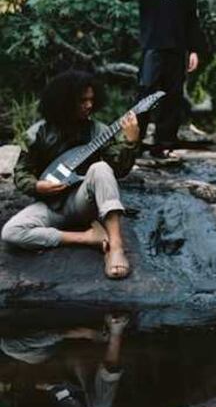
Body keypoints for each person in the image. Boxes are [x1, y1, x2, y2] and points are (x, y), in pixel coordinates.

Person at [4, 70, 138, 279]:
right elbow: (22, 172)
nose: (89, 105)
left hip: (82, 201)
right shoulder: (39, 132)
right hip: (50, 205)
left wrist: (129, 143)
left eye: (92, 100)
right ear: (64, 102)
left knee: (101, 169)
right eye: (82, 101)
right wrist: (37, 186)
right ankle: (88, 238)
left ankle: (116, 247)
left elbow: (119, 170)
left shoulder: (98, 130)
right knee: (11, 232)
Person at [117, 0, 201, 158]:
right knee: (146, 94)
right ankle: (134, 143)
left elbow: (192, 20)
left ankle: (163, 146)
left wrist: (193, 50)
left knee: (173, 97)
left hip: (177, 49)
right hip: (153, 47)